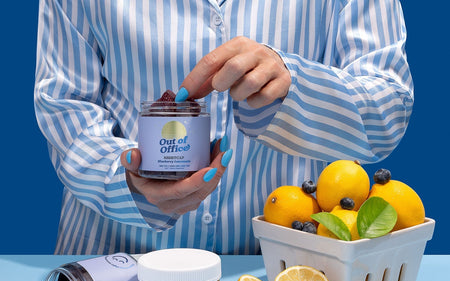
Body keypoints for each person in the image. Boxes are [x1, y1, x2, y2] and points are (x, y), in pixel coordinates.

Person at [35, 0, 413, 255]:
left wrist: (293, 85)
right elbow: (64, 106)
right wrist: (126, 183)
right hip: (113, 266)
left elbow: (388, 111)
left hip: (284, 273)